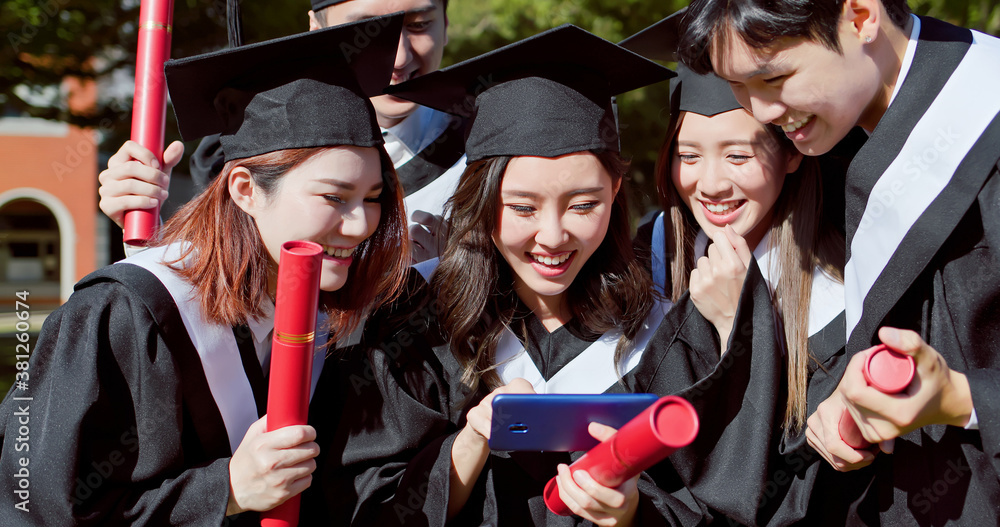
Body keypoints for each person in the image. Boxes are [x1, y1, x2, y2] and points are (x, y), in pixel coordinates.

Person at [0, 17, 416, 525]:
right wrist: (228, 490)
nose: (359, 224)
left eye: (373, 199)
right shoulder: (122, 314)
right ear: (244, 189)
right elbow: (37, 510)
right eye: (334, 196)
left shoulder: (337, 319)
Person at [678, 0, 1000, 523]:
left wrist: (963, 398)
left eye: (774, 77)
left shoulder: (982, 117)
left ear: (860, 16)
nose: (760, 112)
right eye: (738, 86)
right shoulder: (852, 146)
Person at [382, 25, 680, 526]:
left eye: (584, 204)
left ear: (616, 191)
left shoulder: (660, 332)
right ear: (481, 200)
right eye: (522, 207)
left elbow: (704, 500)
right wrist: (474, 438)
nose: (553, 236)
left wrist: (630, 512)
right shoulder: (412, 320)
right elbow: (377, 506)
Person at [616, 13, 865, 525]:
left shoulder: (845, 284)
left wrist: (738, 324)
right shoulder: (645, 258)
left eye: (738, 155)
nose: (709, 184)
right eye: (688, 155)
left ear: (791, 152)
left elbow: (794, 490)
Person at [100, 0, 463, 262]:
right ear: (316, 28)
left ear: (446, 22)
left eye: (418, 25)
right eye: (367, 31)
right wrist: (147, 233)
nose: (399, 58)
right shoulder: (242, 156)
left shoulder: (487, 156)